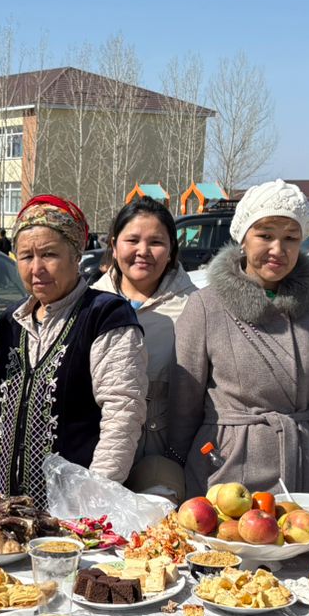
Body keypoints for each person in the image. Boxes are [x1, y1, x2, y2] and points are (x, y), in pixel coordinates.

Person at [168, 180, 309, 495]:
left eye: (291, 238)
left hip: (302, 472)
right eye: (265, 235)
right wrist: (175, 475)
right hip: (223, 472)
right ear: (243, 237)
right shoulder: (207, 305)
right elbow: (183, 406)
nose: (277, 250)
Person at [0, 195, 145, 508]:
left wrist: (95, 501)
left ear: (76, 255)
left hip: (72, 510)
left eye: (49, 254)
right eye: (25, 256)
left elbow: (122, 414)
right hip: (5, 507)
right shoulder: (12, 321)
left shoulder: (105, 315)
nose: (36, 268)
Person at [90, 198, 196, 499]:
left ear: (172, 249)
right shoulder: (90, 301)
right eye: (132, 240)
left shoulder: (195, 305)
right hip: (97, 448)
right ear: (114, 244)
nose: (143, 252)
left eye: (156, 242)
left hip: (167, 454)